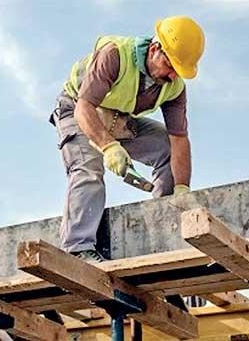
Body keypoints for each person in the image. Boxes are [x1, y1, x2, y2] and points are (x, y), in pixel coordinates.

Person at [50, 16, 205, 263]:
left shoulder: (174, 88)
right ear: (154, 49)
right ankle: (78, 249)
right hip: (77, 109)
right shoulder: (114, 55)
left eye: (178, 70)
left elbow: (178, 139)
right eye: (170, 65)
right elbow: (84, 108)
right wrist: (109, 147)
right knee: (88, 169)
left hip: (118, 118)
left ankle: (165, 226)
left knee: (166, 148)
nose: (172, 75)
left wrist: (182, 188)